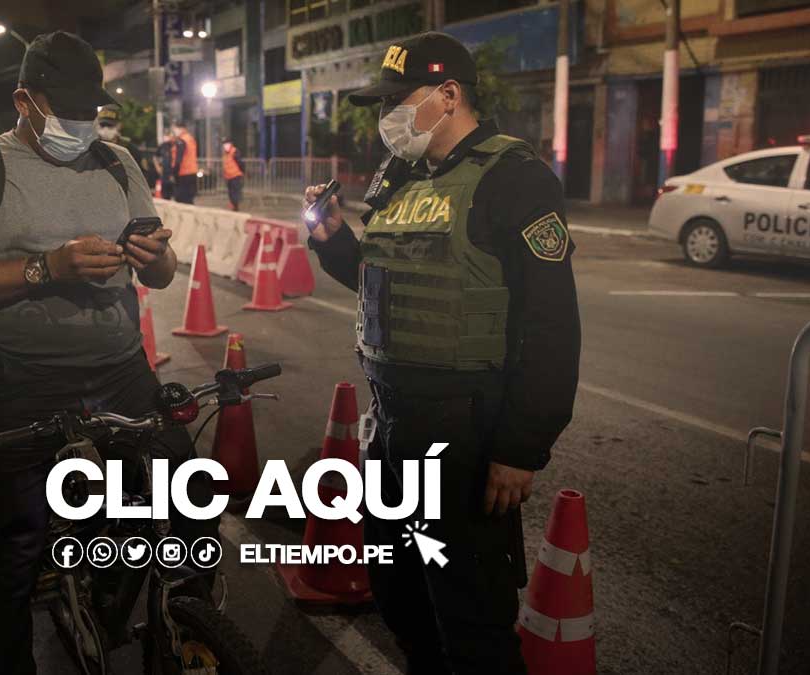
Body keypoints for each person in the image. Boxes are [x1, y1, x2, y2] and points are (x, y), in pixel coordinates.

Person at [0, 31, 217, 675]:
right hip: (17, 380)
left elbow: (163, 273)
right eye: (66, 109)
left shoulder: (118, 163)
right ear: (24, 101)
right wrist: (48, 267)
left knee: (188, 501)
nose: (81, 123)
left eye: (89, 109)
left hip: (120, 369)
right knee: (17, 544)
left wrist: (156, 257)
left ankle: (186, 636)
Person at [304, 32, 581, 674]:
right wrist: (333, 240)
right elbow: (383, 283)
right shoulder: (402, 174)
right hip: (390, 423)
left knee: (472, 621)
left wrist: (520, 447)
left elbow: (552, 323)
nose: (385, 116)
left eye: (397, 100)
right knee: (400, 599)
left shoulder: (515, 178)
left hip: (463, 433)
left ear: (449, 94)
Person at [96, 104, 148, 177]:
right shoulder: (91, 148)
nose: (106, 129)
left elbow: (143, 176)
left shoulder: (129, 150)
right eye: (103, 125)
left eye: (110, 126)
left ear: (119, 125)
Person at [170, 120, 198, 204]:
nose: (174, 131)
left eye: (174, 129)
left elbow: (178, 159)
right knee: (189, 199)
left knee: (181, 200)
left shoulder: (181, 141)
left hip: (183, 173)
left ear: (181, 128)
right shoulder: (190, 138)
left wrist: (174, 173)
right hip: (192, 172)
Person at [221, 137, 244, 211]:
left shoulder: (234, 151)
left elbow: (240, 163)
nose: (225, 145)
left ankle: (235, 206)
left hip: (235, 175)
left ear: (231, 144)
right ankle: (233, 205)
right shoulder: (225, 154)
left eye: (227, 143)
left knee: (235, 192)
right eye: (224, 144)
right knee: (230, 192)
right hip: (229, 176)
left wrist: (242, 172)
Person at [154, 132, 175, 199]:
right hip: (164, 173)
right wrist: (157, 167)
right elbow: (155, 157)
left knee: (174, 193)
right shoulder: (162, 146)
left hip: (173, 172)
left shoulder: (175, 145)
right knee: (165, 194)